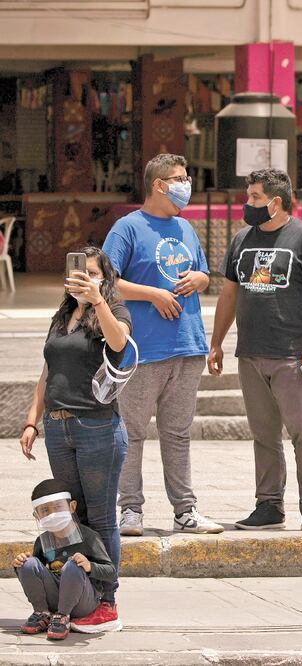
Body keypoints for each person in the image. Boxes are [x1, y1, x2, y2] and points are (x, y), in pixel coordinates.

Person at [102, 153, 222, 536]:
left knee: (178, 433)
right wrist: (153, 294)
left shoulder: (185, 228)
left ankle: (185, 511)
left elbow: (202, 272)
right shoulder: (127, 228)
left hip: (187, 346)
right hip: (142, 349)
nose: (186, 185)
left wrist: (201, 280)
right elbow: (105, 282)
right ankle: (130, 510)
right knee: (131, 433)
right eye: (180, 178)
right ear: (159, 184)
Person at [209, 168, 302, 531]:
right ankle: (268, 505)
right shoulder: (241, 240)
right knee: (263, 436)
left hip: (292, 354)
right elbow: (228, 295)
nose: (247, 203)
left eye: (254, 197)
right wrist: (216, 342)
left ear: (275, 202)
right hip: (251, 353)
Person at [19, 246, 129, 633]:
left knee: (101, 517)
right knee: (72, 516)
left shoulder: (113, 310)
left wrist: (97, 299)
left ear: (105, 278)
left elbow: (119, 343)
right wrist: (32, 421)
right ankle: (79, 597)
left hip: (97, 426)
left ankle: (107, 601)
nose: (83, 279)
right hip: (58, 426)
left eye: (93, 273)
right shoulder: (62, 315)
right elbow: (48, 371)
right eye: (79, 273)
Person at [14, 479, 117, 641]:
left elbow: (110, 572)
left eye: (58, 507)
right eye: (45, 510)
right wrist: (20, 565)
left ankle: (63, 616)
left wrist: (89, 566)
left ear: (72, 507)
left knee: (72, 566)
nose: (52, 514)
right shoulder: (42, 541)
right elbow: (36, 574)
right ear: (37, 515)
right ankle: (42, 613)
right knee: (28, 562)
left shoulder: (89, 537)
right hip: (55, 598)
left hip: (82, 602)